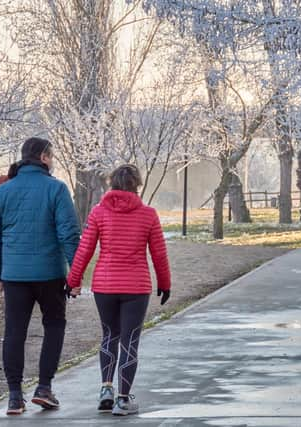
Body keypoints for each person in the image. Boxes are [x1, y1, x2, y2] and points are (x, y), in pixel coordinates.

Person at [67, 164, 171, 416]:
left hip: (105, 285)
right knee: (130, 341)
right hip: (136, 286)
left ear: (111, 183)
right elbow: (158, 253)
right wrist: (165, 283)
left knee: (109, 336)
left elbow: (85, 249)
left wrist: (73, 280)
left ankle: (105, 389)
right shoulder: (148, 214)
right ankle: (123, 399)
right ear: (137, 185)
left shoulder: (99, 212)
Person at [0, 137, 81, 415]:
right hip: (49, 274)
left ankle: (15, 396)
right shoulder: (57, 189)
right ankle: (44, 388)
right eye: (51, 156)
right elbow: (69, 235)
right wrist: (75, 276)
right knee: (54, 325)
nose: (53, 160)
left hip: (14, 276)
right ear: (43, 157)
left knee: (14, 332)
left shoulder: (3, 192)